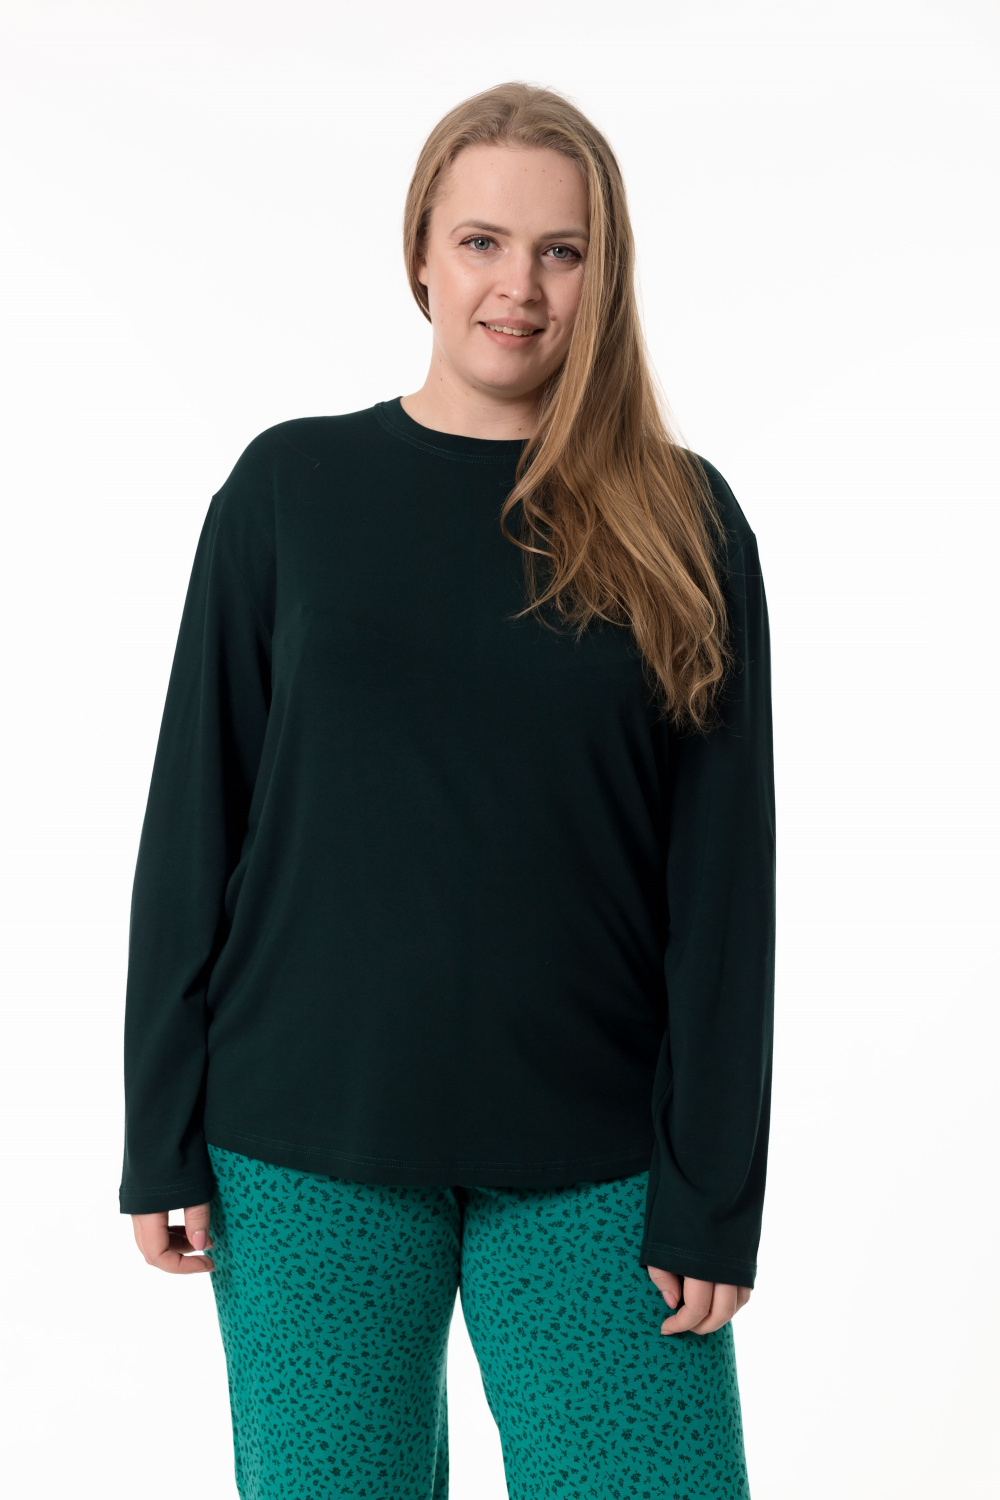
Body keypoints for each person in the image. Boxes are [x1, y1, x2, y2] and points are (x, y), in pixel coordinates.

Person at [119, 80, 775, 1500]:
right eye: (482, 241)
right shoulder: (289, 490)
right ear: (421, 249)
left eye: (561, 250)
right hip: (308, 1139)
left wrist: (714, 1191)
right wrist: (157, 1126)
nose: (518, 288)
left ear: (605, 272)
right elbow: (194, 821)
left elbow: (725, 883)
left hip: (599, 1155)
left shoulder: (684, 519)